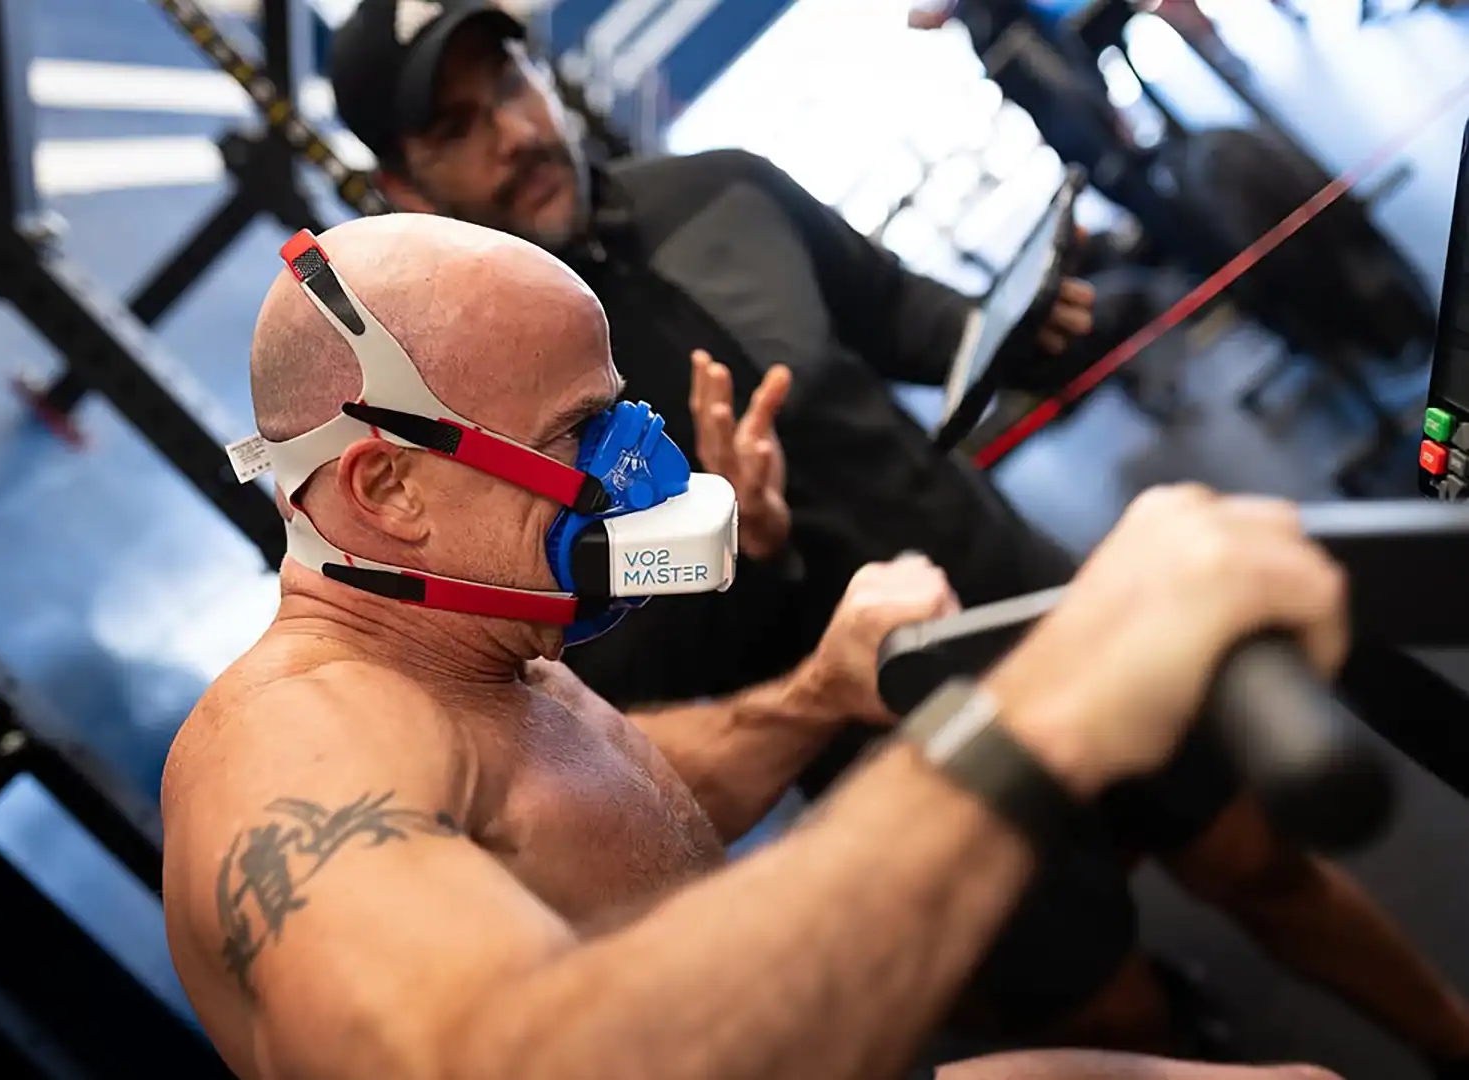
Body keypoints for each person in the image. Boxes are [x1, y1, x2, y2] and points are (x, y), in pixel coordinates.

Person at [319, 2, 1469, 1068]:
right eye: (458, 127)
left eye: (509, 82)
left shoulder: (721, 190)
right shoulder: (480, 430)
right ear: (405, 185)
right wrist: (727, 552)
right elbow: (599, 695)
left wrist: (1022, 319)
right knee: (1113, 1015)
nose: (514, 133)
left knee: (1259, 861)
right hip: (876, 740)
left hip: (1022, 595)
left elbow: (906, 316)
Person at [162, 211, 1349, 1080]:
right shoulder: (291, 751)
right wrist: (1045, 714)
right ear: (395, 487)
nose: (637, 463)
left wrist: (816, 695)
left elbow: (608, 823)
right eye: (581, 431)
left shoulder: (485, 651)